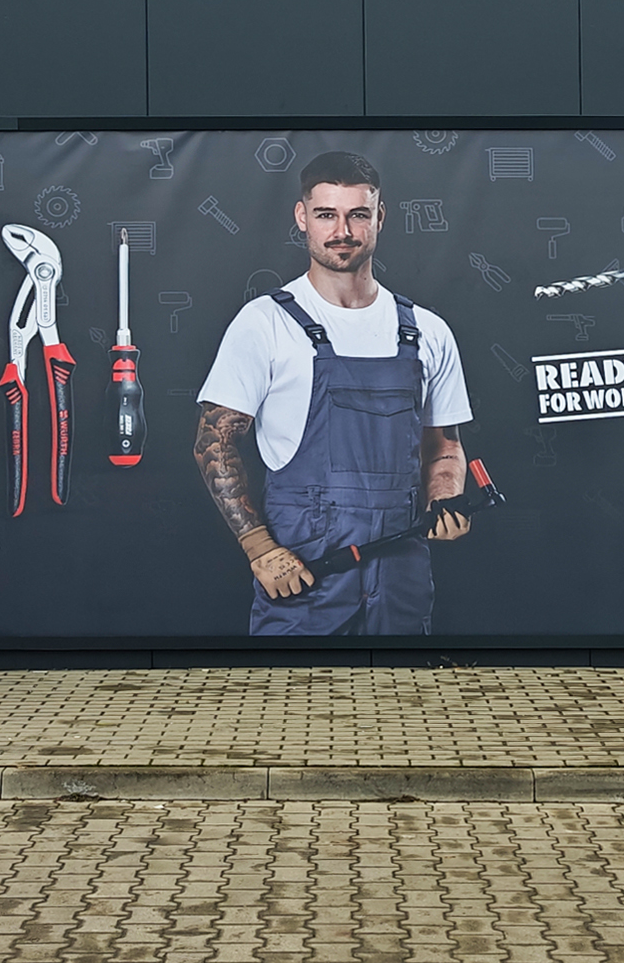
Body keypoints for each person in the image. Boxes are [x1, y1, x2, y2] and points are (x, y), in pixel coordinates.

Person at [192, 150, 474, 636]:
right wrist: (258, 546)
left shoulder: (428, 331)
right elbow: (213, 440)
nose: (342, 230)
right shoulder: (265, 323)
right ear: (302, 217)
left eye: (358, 215)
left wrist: (445, 497)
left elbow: (444, 445)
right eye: (326, 214)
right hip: (305, 579)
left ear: (379, 218)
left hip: (401, 578)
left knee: (405, 689)